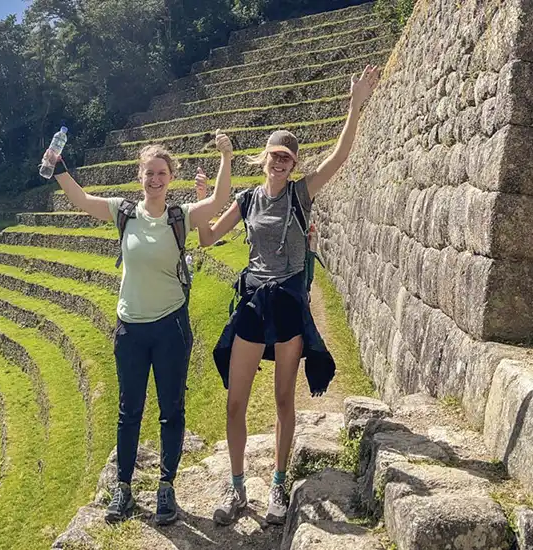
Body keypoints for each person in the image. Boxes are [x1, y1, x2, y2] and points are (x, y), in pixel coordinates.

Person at [203, 65, 382, 527]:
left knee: (284, 398)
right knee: (235, 401)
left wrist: (354, 105)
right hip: (252, 301)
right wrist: (204, 196)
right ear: (263, 159)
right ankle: (238, 485)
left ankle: (279, 485)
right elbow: (206, 238)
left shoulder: (301, 195)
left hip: (286, 304)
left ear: (293, 163)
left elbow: (340, 156)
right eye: (274, 156)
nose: (280, 163)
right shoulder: (246, 201)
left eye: (287, 157)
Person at [44, 131, 234, 526]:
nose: (155, 179)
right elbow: (81, 201)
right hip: (130, 327)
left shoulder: (181, 216)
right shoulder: (123, 211)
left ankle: (166, 487)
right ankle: (125, 489)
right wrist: (58, 166)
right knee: (129, 411)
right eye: (149, 173)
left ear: (171, 177)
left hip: (170, 325)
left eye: (162, 173)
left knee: (170, 410)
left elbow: (218, 202)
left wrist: (226, 157)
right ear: (139, 176)